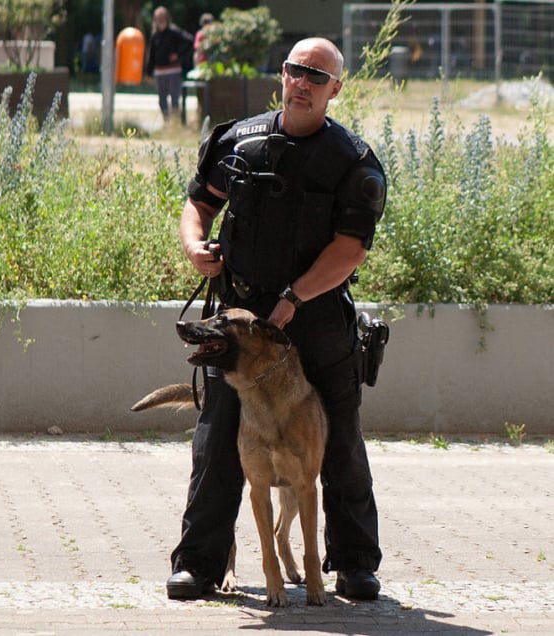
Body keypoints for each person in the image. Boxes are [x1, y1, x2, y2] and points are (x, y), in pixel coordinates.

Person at [167, 37, 386, 602]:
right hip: (239, 320)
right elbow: (200, 203)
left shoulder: (353, 162)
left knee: (337, 441)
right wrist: (195, 246)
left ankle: (356, 563)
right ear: (282, 76)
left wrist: (293, 298)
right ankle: (199, 563)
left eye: (317, 77)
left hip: (314, 317)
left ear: (336, 89)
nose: (303, 83)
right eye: (295, 71)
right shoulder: (240, 140)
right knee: (217, 440)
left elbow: (349, 249)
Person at [145, 6, 194, 122]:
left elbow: (190, 42)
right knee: (162, 100)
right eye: (157, 18)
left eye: (162, 18)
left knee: (175, 99)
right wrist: (148, 72)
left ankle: (176, 123)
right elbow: (151, 55)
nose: (160, 21)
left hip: (173, 71)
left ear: (167, 18)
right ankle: (167, 121)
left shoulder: (174, 32)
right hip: (159, 72)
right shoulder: (155, 35)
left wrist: (178, 55)